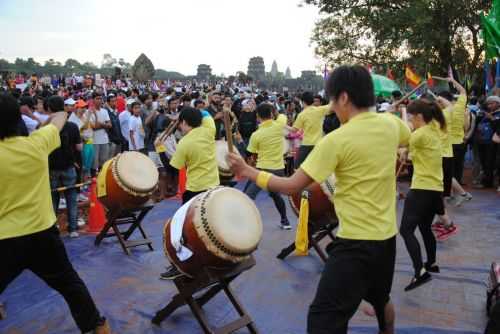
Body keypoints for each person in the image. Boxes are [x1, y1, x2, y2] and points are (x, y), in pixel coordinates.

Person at [228, 65, 410, 333]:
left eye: (332, 100)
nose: (332, 107)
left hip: (355, 244)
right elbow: (407, 134)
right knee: (380, 299)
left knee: (323, 320)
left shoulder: (337, 140)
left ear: (344, 97)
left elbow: (292, 186)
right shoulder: (392, 125)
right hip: (386, 239)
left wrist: (248, 171)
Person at [0, 93, 110, 333]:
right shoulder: (37, 143)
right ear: (16, 119)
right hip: (42, 235)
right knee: (70, 285)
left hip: (5, 239)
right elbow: (61, 115)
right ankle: (97, 328)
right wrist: (35, 117)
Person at [160, 107, 218, 280]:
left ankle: (179, 265)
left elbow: (172, 169)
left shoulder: (185, 143)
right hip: (213, 188)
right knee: (208, 227)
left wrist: (160, 150)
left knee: (182, 231)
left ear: (184, 122)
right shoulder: (209, 131)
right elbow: (206, 114)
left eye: (180, 123)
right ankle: (210, 260)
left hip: (194, 191)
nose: (179, 127)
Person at [399, 99, 445, 291]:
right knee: (425, 227)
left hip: (422, 188)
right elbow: (408, 151)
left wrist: (402, 151)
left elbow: (403, 138)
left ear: (418, 117)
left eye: (411, 117)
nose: (410, 120)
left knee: (406, 230)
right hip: (435, 189)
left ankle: (420, 272)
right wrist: (405, 152)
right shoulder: (435, 130)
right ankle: (431, 263)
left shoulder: (418, 135)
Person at [245, 103, 291, 229]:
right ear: (271, 114)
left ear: (258, 116)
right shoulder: (279, 125)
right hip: (279, 170)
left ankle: (246, 224)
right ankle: (285, 221)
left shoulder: (256, 135)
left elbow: (249, 153)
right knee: (276, 195)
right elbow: (281, 115)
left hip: (263, 171)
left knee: (247, 197)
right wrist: (274, 113)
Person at [47, 96, 83, 238]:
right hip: (69, 166)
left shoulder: (47, 128)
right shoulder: (72, 126)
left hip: (52, 168)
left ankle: (52, 229)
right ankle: (73, 229)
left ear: (49, 109)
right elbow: (79, 148)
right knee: (71, 198)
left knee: (53, 199)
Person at [292, 91, 331, 168]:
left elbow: (294, 130)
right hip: (318, 144)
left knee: (297, 166)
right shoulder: (320, 110)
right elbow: (332, 106)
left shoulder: (301, 114)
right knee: (316, 167)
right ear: (312, 101)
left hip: (306, 145)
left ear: (302, 101)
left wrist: (283, 126)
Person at [90, 92, 111, 172]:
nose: (99, 100)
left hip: (104, 140)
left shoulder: (104, 111)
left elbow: (110, 125)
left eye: (100, 98)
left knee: (104, 162)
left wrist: (101, 124)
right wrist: (104, 125)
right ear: (93, 100)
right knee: (94, 163)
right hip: (94, 141)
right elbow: (94, 127)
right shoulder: (90, 111)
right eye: (97, 99)